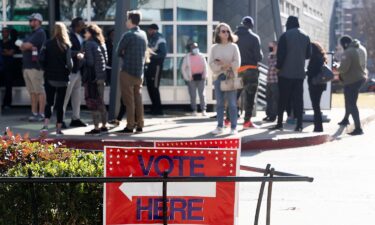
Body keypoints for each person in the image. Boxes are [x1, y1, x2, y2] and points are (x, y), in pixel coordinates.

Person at [270, 16, 311, 132]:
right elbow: (308, 55)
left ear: (288, 24)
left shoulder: (285, 36)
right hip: (299, 74)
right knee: (298, 100)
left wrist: (278, 68)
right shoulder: (306, 35)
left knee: (283, 99)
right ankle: (299, 125)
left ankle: (279, 123)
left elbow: (281, 55)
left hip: (285, 74)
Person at [116, 10, 148, 134]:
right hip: (139, 72)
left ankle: (130, 126)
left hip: (127, 71)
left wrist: (125, 53)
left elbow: (118, 51)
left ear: (130, 20)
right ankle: (140, 124)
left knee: (129, 101)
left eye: (126, 19)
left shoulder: (128, 35)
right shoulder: (143, 34)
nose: (125, 22)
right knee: (138, 99)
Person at [40, 23, 73, 136]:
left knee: (49, 102)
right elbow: (70, 64)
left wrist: (46, 69)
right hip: (63, 78)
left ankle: (45, 126)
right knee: (60, 104)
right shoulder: (67, 45)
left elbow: (41, 59)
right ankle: (58, 128)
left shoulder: (47, 43)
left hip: (49, 77)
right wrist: (68, 71)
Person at [209, 23, 241, 135]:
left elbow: (237, 64)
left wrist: (226, 64)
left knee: (232, 104)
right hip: (218, 77)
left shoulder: (234, 46)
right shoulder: (214, 48)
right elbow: (211, 64)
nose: (226, 33)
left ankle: (233, 127)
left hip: (230, 76)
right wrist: (223, 66)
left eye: (228, 31)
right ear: (218, 33)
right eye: (223, 31)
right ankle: (219, 126)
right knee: (219, 104)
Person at [235, 16, 263, 129]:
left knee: (233, 96)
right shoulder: (254, 38)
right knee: (250, 97)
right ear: (251, 25)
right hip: (251, 70)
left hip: (237, 70)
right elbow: (258, 57)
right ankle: (247, 122)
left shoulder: (234, 37)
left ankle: (227, 120)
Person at [81, 24, 108, 135]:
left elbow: (90, 63)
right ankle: (104, 126)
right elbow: (105, 60)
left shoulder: (88, 44)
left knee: (93, 102)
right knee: (101, 102)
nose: (84, 34)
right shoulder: (101, 44)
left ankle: (96, 128)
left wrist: (82, 58)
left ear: (90, 33)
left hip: (92, 78)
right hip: (101, 77)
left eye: (86, 32)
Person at [338, 36, 367, 135]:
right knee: (349, 101)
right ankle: (346, 119)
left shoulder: (348, 52)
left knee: (351, 104)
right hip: (359, 78)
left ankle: (358, 128)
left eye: (342, 45)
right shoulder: (358, 48)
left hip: (352, 80)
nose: (342, 47)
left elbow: (343, 69)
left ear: (345, 44)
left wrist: (337, 67)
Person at [20, 13, 47, 122]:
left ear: (38, 21)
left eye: (32, 20)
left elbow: (25, 46)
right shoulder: (31, 34)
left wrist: (25, 45)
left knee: (39, 90)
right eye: (30, 20)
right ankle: (34, 113)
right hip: (27, 66)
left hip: (35, 67)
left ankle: (41, 114)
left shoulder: (40, 32)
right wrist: (25, 46)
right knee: (32, 91)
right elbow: (23, 47)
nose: (30, 22)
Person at [63, 17, 87, 128]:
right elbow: (66, 51)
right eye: (82, 24)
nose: (84, 25)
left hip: (79, 70)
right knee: (65, 96)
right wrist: (77, 53)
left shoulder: (82, 35)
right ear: (77, 25)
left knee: (77, 97)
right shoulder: (68, 35)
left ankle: (75, 118)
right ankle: (60, 119)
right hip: (71, 70)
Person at [181, 42, 208, 116]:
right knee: (193, 95)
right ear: (190, 49)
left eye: (196, 47)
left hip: (201, 78)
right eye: (193, 47)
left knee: (202, 94)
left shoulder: (201, 56)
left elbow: (205, 67)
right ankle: (194, 110)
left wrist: (204, 75)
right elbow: (183, 68)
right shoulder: (187, 57)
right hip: (191, 79)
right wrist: (187, 77)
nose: (195, 49)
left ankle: (203, 109)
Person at [146, 23, 167, 115]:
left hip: (156, 66)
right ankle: (154, 108)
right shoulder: (151, 38)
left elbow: (163, 54)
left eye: (149, 30)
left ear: (153, 30)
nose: (148, 32)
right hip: (150, 66)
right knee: (150, 87)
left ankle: (158, 109)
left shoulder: (160, 39)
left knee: (154, 87)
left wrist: (151, 56)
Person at [306, 42, 327, 132]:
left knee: (316, 106)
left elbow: (312, 72)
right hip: (320, 85)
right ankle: (318, 126)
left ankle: (318, 127)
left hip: (315, 84)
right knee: (316, 105)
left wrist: (306, 72)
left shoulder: (315, 58)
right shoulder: (321, 57)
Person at [0, 27, 17, 109]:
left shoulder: (12, 43)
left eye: (5, 32)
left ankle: (7, 104)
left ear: (8, 33)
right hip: (1, 67)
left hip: (9, 67)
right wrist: (5, 51)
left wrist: (3, 51)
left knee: (8, 86)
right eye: (2, 32)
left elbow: (10, 53)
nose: (4, 33)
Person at [264, 41, 278, 122]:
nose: (270, 48)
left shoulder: (279, 56)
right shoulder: (270, 55)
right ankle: (268, 114)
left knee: (274, 99)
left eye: (271, 46)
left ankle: (273, 116)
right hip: (269, 79)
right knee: (268, 98)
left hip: (275, 80)